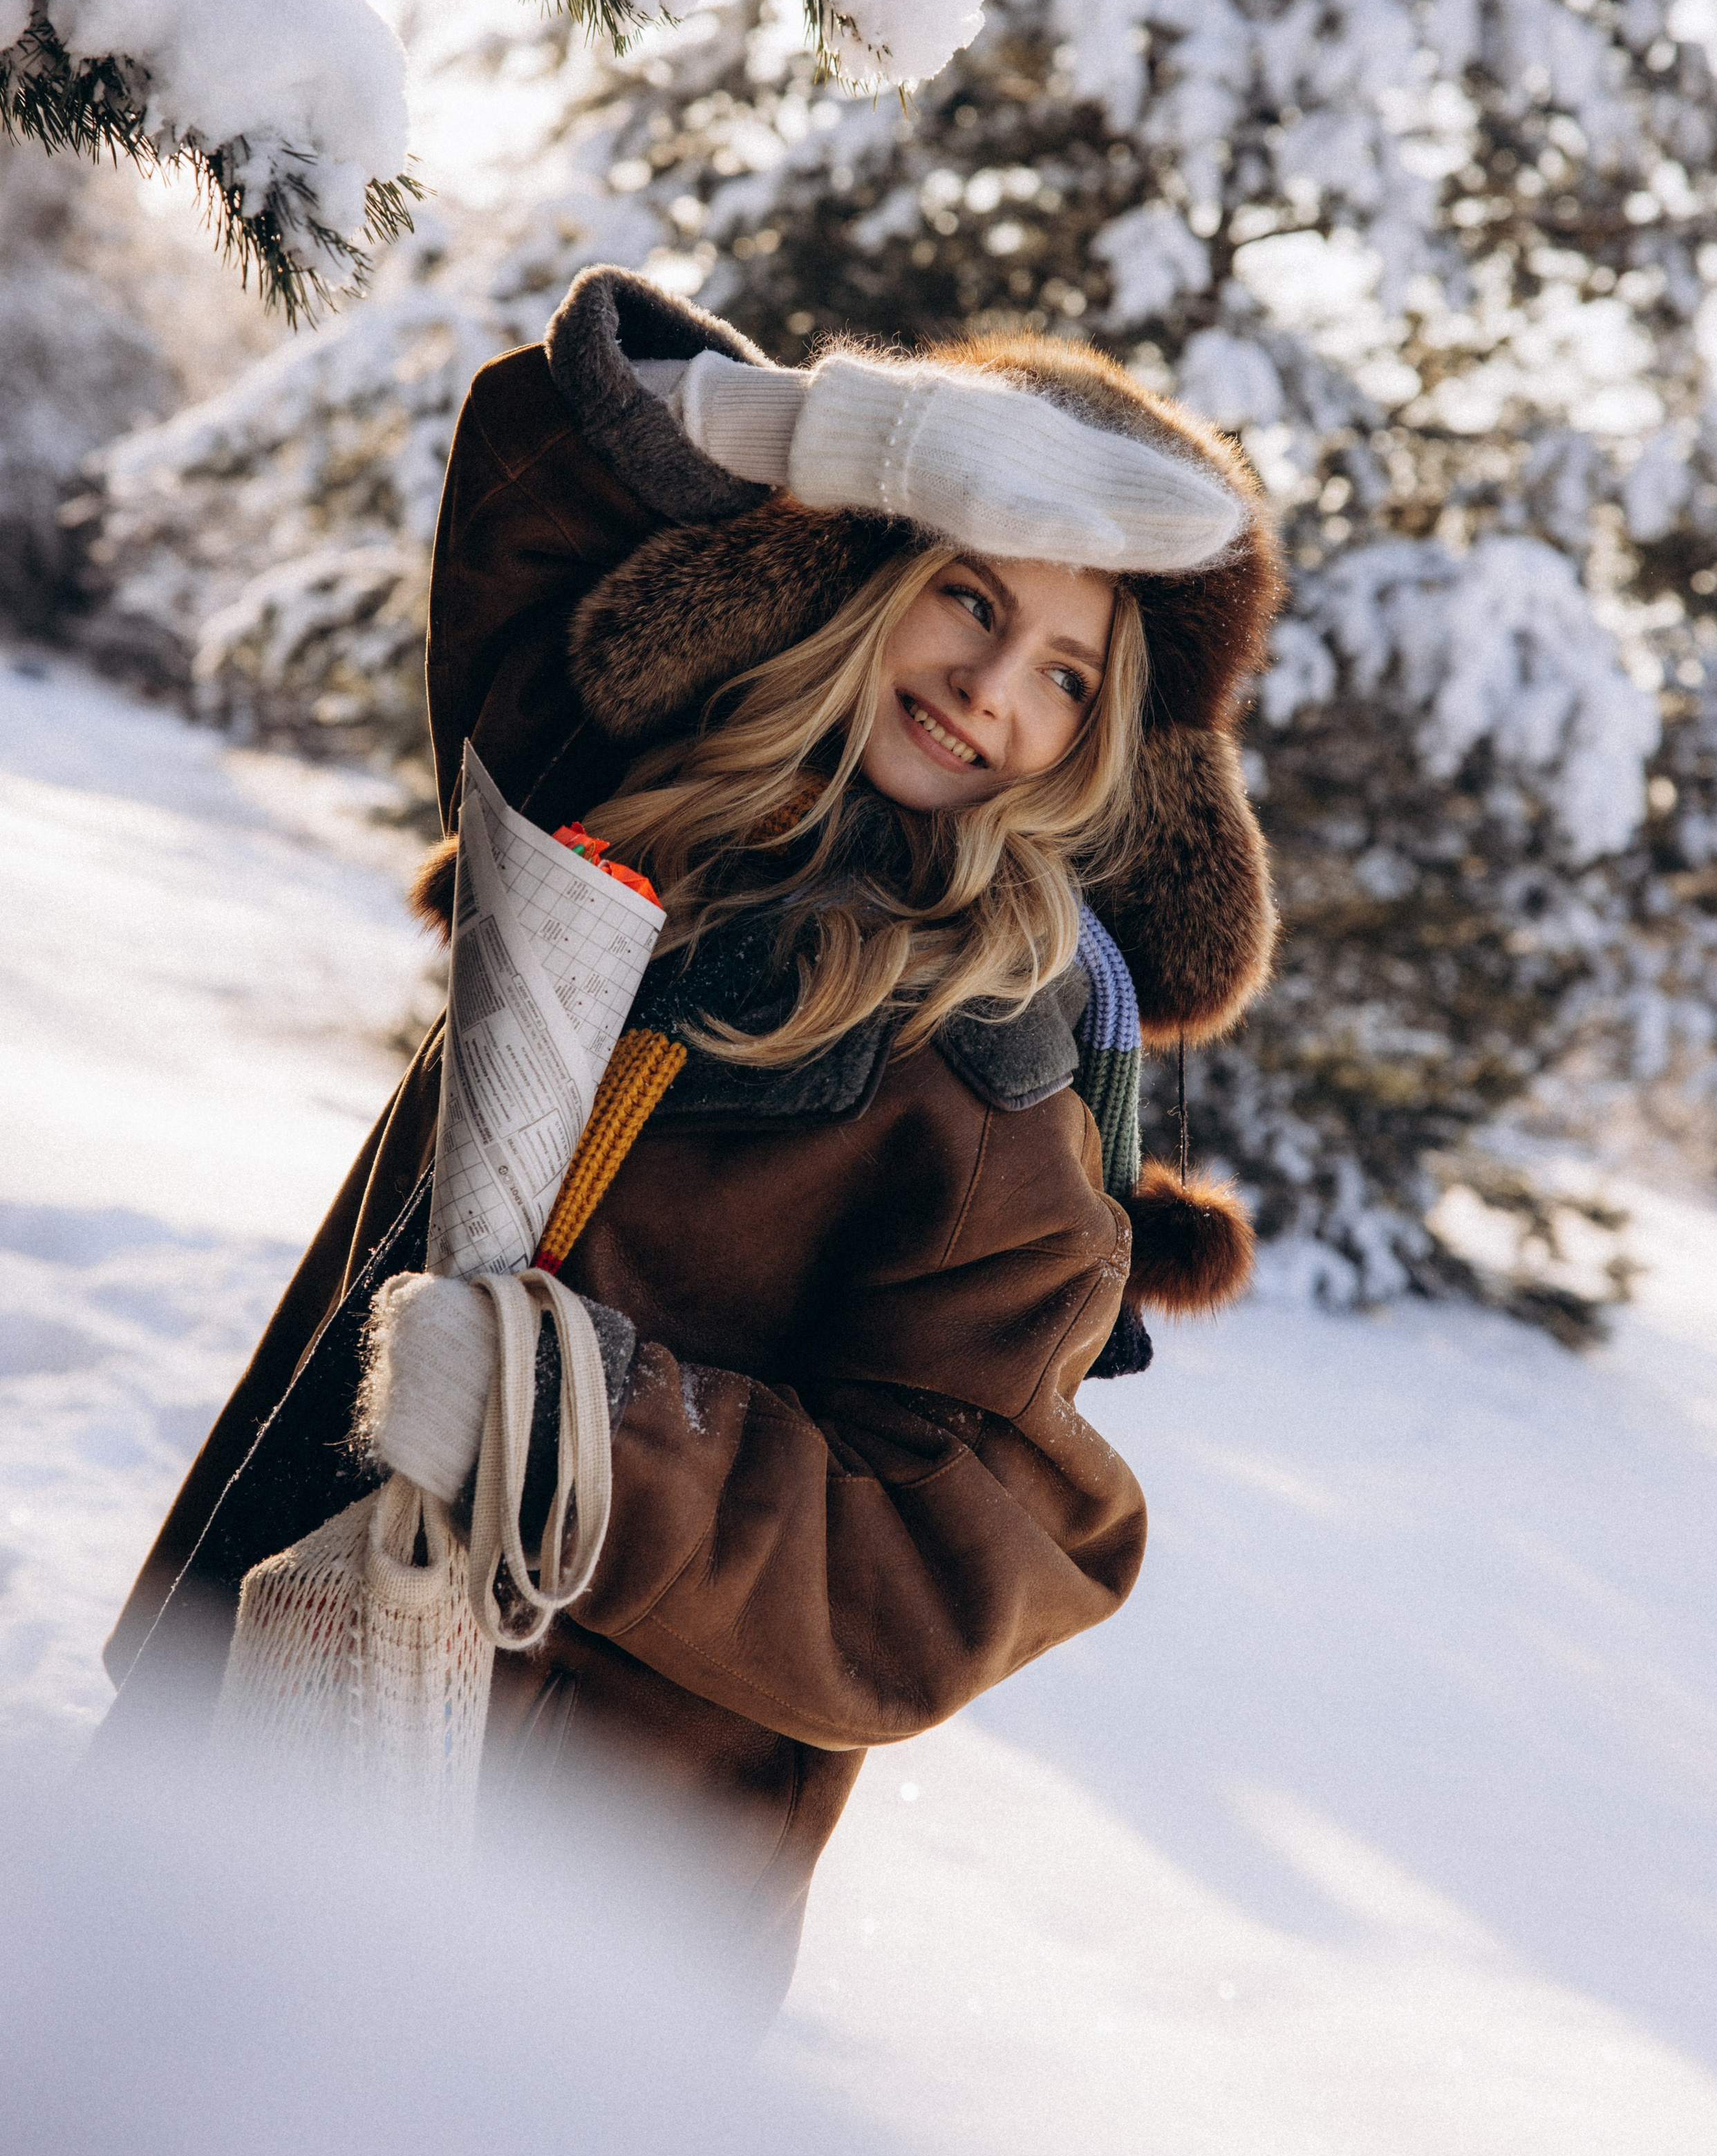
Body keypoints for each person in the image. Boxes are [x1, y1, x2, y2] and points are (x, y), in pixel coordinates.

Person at [97, 265, 1282, 2014]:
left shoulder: (990, 1075)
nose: (985, 686)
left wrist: (579, 1432)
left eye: (1060, 671)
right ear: (868, 566)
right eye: (965, 590)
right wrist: (850, 435)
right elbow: (535, 445)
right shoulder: (630, 797)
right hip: (260, 1679)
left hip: (550, 1890)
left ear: (1097, 746)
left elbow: (963, 1545)